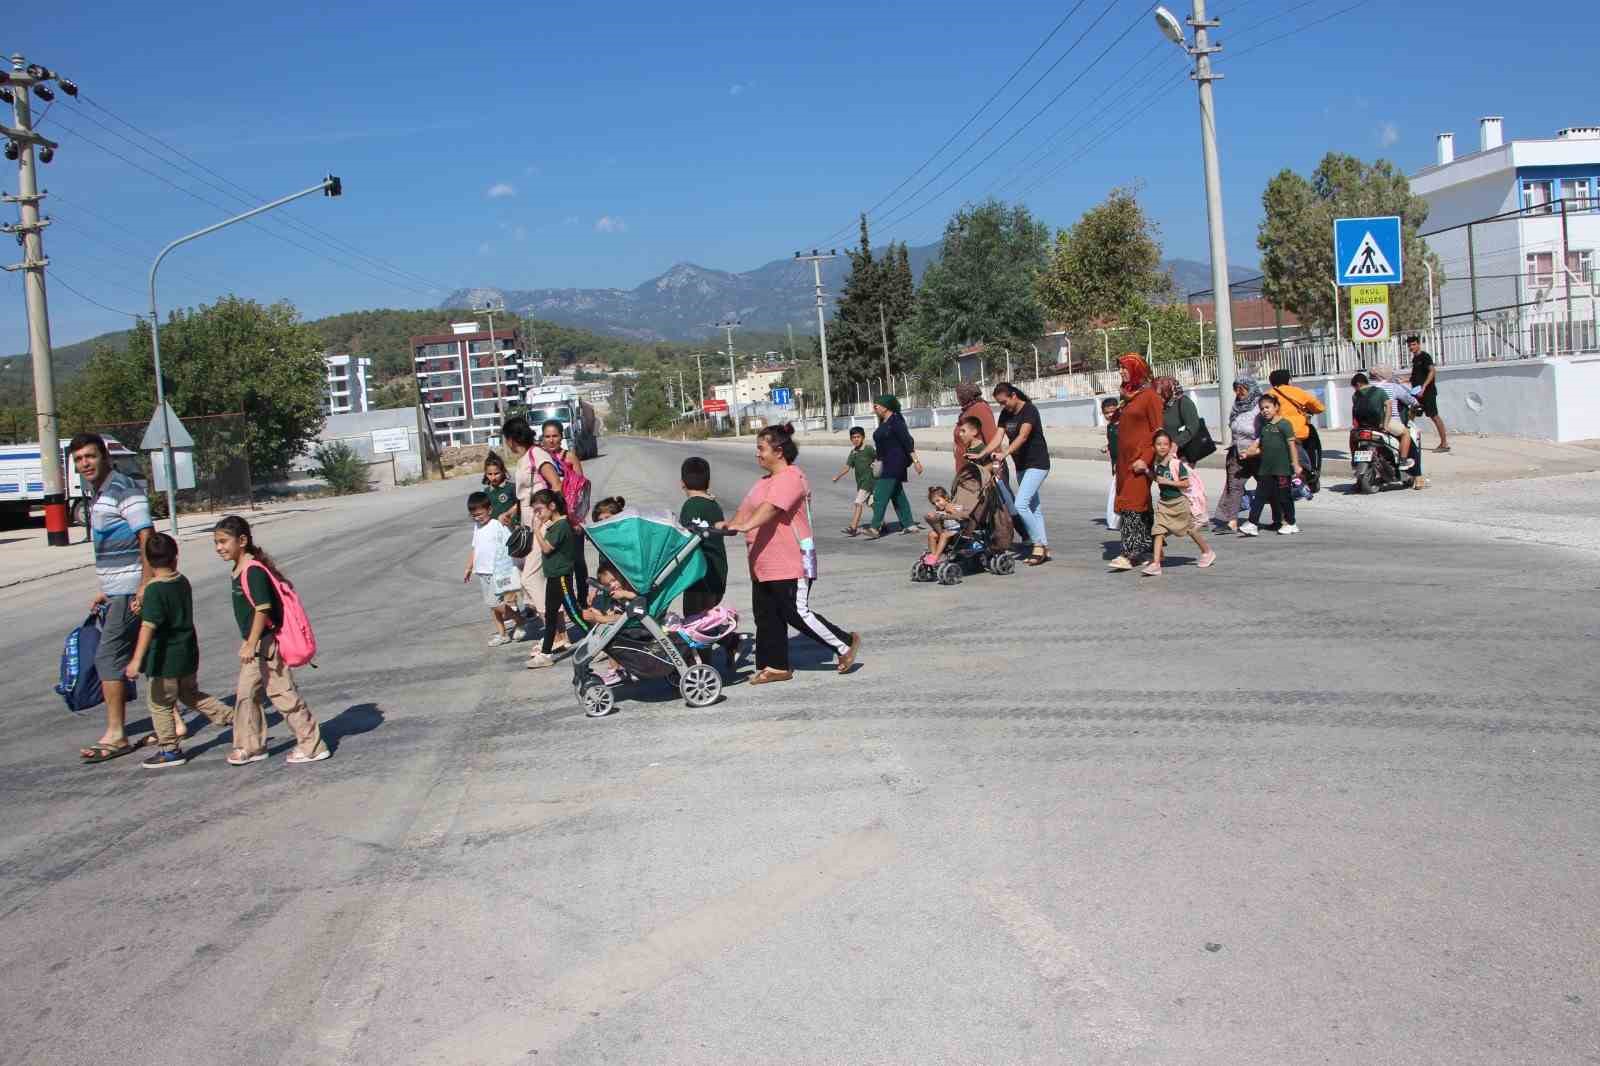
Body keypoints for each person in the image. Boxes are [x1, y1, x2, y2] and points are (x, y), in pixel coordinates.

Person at [722, 424, 860, 685]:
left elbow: (771, 509)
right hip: (763, 563)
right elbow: (745, 511)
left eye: (761, 449)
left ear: (779, 451)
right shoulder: (762, 483)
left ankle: (844, 642)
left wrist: (746, 525)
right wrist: (727, 525)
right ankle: (775, 666)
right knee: (767, 615)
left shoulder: (792, 477)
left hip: (791, 560)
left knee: (796, 612)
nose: (758, 454)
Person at [212, 515, 329, 764]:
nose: (219, 547)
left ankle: (312, 745)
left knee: (282, 694)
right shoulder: (239, 569)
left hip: (266, 645)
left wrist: (251, 642)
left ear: (242, 540)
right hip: (256, 645)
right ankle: (251, 746)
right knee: (246, 695)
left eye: (223, 541)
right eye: (216, 542)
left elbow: (262, 609)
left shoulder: (253, 571)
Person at [72, 433, 156, 763]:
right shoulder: (99, 493)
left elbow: (146, 536)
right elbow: (113, 545)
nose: (85, 464)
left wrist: (145, 584)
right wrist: (106, 590)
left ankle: (117, 734)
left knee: (108, 658)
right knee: (146, 656)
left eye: (90, 456)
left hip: (131, 589)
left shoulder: (123, 488)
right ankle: (173, 723)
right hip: (118, 591)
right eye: (79, 459)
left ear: (105, 456)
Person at [123, 532, 236, 769]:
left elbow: (149, 626)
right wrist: (144, 607)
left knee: (160, 703)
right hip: (187, 652)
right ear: (175, 557)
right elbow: (167, 612)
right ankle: (235, 717)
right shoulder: (181, 581)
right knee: (190, 694)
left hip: (165, 658)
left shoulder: (154, 589)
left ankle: (169, 749)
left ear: (148, 561)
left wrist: (136, 660)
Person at [501, 415, 564, 656]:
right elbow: (525, 495)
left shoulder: (537, 454)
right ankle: (560, 634)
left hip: (542, 526)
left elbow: (555, 485)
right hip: (530, 527)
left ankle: (553, 635)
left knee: (529, 579)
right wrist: (511, 512)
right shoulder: (525, 458)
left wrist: (548, 517)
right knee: (542, 582)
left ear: (512, 438)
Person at [1109, 354, 1163, 572]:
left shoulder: (1150, 396)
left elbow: (1158, 432)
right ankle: (1151, 548)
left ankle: (1129, 553)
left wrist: (1146, 459)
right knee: (1141, 505)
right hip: (1124, 462)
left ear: (1136, 370)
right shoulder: (1127, 395)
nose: (1121, 372)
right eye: (1120, 368)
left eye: (1125, 368)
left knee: (1131, 504)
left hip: (1140, 461)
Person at [990, 383, 1050, 565]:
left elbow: (1023, 436)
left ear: (1014, 396)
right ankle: (1044, 547)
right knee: (1034, 507)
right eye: (1000, 403)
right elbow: (998, 437)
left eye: (1004, 402)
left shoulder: (1029, 410)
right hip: (1021, 465)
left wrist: (1004, 454)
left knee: (1021, 504)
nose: (1003, 406)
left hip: (1038, 463)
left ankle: (1038, 544)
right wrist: (982, 453)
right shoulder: (1005, 414)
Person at [1145, 430, 1216, 576]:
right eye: (1159, 444)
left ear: (1170, 446)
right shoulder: (1157, 464)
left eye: (1165, 444)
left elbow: (1185, 483)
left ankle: (1207, 552)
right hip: (1164, 504)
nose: (1162, 447)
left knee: (1190, 529)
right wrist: (1146, 471)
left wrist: (1168, 482)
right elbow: (1158, 479)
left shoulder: (1176, 464)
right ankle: (1156, 564)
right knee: (1158, 531)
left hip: (1179, 503)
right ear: (1153, 446)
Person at [527, 488, 581, 670]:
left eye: (539, 510)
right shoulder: (554, 525)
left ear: (552, 506)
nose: (537, 515)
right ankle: (546, 654)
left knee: (574, 614)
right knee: (550, 617)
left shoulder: (560, 526)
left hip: (561, 577)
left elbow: (547, 548)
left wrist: (537, 531)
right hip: (553, 577)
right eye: (535, 511)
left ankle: (601, 643)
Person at [540, 418, 591, 609]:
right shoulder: (541, 459)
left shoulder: (570, 457)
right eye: (547, 436)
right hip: (550, 519)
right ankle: (564, 600)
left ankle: (582, 600)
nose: (551, 440)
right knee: (559, 562)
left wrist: (576, 519)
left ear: (561, 436)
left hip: (571, 518)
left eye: (555, 436)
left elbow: (581, 489)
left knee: (577, 560)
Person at [1239, 393, 1301, 536]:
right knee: (1259, 497)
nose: (1264, 411)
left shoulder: (1285, 424)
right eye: (1262, 408)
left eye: (1267, 407)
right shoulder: (1264, 427)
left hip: (1282, 470)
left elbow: (1292, 446)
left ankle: (1291, 523)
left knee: (1284, 498)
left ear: (1276, 407)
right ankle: (1252, 523)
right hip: (1266, 470)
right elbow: (1262, 448)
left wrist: (1296, 464)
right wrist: (1247, 454)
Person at [464, 491, 520, 647]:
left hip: (496, 571)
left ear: (489, 510)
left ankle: (519, 619)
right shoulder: (477, 527)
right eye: (473, 516)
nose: (477, 518)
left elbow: (509, 544)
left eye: (480, 514)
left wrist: (511, 565)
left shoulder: (497, 525)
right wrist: (469, 567)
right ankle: (502, 634)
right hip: (482, 571)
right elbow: (475, 548)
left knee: (494, 603)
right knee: (492, 606)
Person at [864, 396, 923, 538]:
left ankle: (875, 527)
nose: (874, 409)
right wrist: (877, 461)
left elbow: (907, 442)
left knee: (880, 495)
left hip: (895, 463)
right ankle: (910, 525)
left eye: (876, 406)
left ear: (885, 407)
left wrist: (916, 461)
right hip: (885, 463)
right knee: (897, 495)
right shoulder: (884, 422)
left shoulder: (896, 421)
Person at [1213, 378, 1262, 533]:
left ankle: (1281, 518)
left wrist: (1254, 448)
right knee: (1234, 486)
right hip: (1237, 452)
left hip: (1257, 453)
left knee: (1267, 486)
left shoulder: (1261, 405)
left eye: (1242, 389)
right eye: (1236, 389)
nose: (1239, 392)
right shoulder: (1237, 406)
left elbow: (1266, 429)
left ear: (1251, 388)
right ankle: (1231, 521)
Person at [1266, 369, 1326, 478]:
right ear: (1288, 380)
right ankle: (1311, 472)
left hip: (1275, 434)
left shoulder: (1268, 394)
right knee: (1312, 447)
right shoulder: (1298, 392)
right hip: (1297, 434)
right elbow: (1319, 408)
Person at [1351, 371, 1415, 469]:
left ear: (1358, 384)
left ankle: (1354, 459)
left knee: (1353, 437)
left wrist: (1356, 427)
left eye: (1354, 387)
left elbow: (1354, 412)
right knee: (1406, 433)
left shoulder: (1355, 395)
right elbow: (1389, 408)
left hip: (1363, 426)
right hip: (1379, 424)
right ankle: (1403, 460)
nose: (1355, 389)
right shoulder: (1379, 391)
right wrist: (1385, 424)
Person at [832, 426, 877, 536]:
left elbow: (878, 457)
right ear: (851, 439)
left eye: (858, 437)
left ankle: (853, 527)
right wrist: (838, 476)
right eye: (853, 437)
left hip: (869, 481)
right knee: (871, 503)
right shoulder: (853, 453)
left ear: (863, 437)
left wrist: (875, 464)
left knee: (858, 503)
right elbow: (847, 467)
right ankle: (880, 523)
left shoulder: (868, 449)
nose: (856, 439)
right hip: (861, 483)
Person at [1407, 335, 1449, 452]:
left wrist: (1424, 387)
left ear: (1418, 344)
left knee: (1433, 416)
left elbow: (1432, 371)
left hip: (1427, 392)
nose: (1411, 347)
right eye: (1409, 345)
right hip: (1417, 393)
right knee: (1411, 414)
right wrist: (1404, 380)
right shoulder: (1415, 359)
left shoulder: (1425, 356)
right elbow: (1415, 376)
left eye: (1414, 344)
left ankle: (1444, 444)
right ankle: (1406, 441)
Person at [1156, 377, 1203, 459]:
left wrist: (1176, 442)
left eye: (1161, 393)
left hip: (1179, 452)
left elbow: (1193, 427)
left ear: (1168, 391)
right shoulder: (1162, 405)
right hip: (1161, 450)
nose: (1158, 396)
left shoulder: (1184, 402)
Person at [921, 486, 968, 565]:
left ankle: (936, 556)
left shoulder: (955, 506)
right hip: (946, 531)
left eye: (938, 501)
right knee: (931, 534)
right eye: (934, 503)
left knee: (943, 535)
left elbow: (962, 517)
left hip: (958, 531)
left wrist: (951, 511)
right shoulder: (938, 510)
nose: (937, 504)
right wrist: (932, 515)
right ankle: (933, 555)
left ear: (945, 498)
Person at [482, 453, 518, 521]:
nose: (493, 477)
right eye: (490, 474)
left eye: (496, 473)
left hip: (511, 525)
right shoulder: (486, 492)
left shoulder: (511, 487)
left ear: (503, 471)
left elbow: (519, 504)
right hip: (495, 526)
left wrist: (508, 513)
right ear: (486, 474)